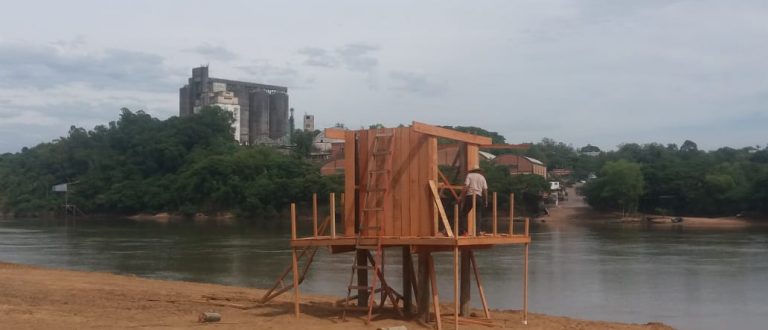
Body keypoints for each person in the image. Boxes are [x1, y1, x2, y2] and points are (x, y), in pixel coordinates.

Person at [459, 167, 488, 235]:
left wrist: (461, 196)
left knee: (464, 214)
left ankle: (463, 231)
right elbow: (485, 190)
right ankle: (477, 231)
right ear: (479, 171)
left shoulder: (469, 175)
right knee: (478, 214)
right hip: (478, 197)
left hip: (470, 196)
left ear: (472, 170)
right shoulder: (482, 177)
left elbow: (466, 186)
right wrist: (486, 200)